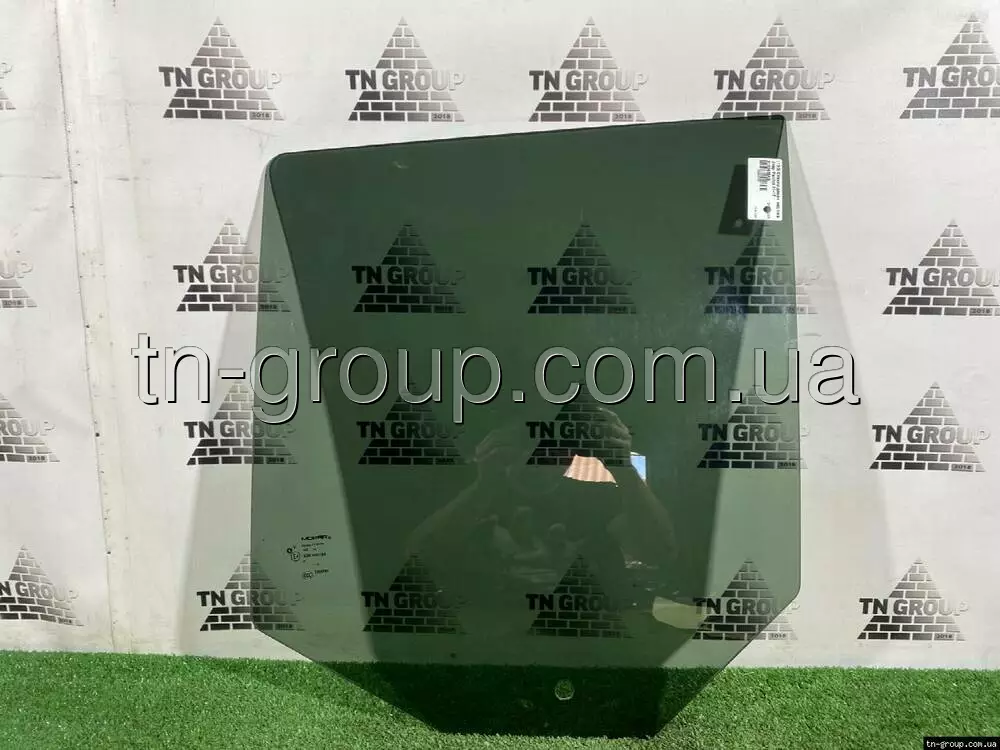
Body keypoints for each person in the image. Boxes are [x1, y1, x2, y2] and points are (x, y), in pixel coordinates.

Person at [404, 405, 703, 640]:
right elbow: (419, 558)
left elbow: (659, 552)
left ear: (573, 452)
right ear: (496, 444)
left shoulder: (597, 499)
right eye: (527, 441)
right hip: (497, 640)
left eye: (555, 444)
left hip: (586, 636)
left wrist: (623, 469)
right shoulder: (470, 497)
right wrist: (484, 486)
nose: (540, 456)